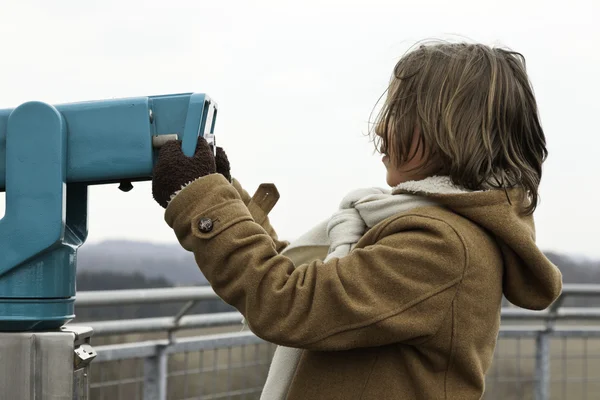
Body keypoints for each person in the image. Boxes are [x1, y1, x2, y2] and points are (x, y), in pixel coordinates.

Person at [151, 41, 563, 400]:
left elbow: (289, 302)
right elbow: (303, 280)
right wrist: (220, 192)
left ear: (452, 131)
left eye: (400, 113)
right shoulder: (436, 231)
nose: (382, 126)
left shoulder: (441, 246)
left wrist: (202, 202)